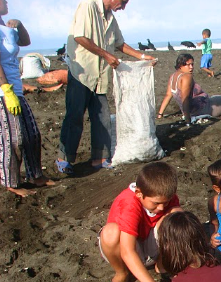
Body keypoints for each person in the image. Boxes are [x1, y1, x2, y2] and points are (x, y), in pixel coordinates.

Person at [56, 0, 156, 174]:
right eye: (123, 2)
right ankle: (64, 158)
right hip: (81, 73)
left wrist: (141, 56)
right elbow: (80, 37)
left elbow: (119, 43)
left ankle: (99, 158)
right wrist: (106, 55)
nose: (123, 7)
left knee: (102, 117)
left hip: (100, 76)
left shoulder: (111, 17)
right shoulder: (88, 5)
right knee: (75, 116)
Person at [98, 161, 182, 282]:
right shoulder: (129, 204)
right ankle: (122, 273)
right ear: (138, 193)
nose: (161, 207)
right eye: (156, 203)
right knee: (110, 233)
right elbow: (127, 251)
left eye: (165, 202)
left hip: (152, 247)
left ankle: (162, 264)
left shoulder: (166, 195)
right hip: (127, 249)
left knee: (177, 214)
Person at [0, 0, 54, 197]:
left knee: (32, 134)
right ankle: (11, 183)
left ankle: (35, 176)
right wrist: (6, 89)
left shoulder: (6, 28)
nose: (6, 1)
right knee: (13, 139)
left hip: (16, 90)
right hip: (3, 93)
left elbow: (25, 42)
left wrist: (19, 25)